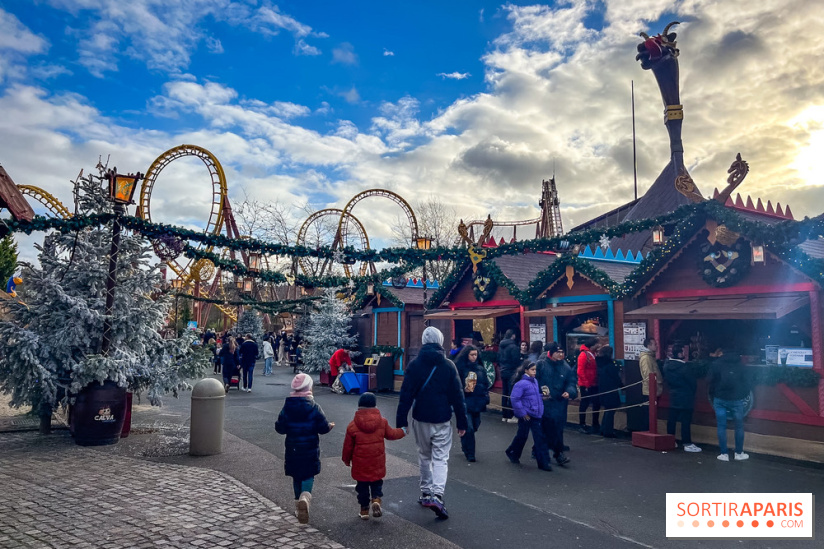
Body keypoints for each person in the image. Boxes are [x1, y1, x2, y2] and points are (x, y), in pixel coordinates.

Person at [396, 326, 467, 520]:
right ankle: (437, 494)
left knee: (424, 455)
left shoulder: (414, 365)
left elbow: (406, 395)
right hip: (442, 417)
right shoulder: (448, 366)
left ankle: (426, 492)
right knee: (441, 458)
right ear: (440, 340)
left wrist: (402, 421)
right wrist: (462, 421)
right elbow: (458, 397)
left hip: (420, 417)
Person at [275, 373, 334, 524]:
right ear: (309, 388)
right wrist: (329, 427)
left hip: (293, 447)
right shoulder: (314, 407)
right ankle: (305, 497)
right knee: (308, 474)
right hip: (310, 447)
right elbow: (322, 427)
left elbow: (280, 428)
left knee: (296, 476)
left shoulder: (287, 407)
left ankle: (297, 506)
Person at [342, 392, 405, 520]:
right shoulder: (382, 422)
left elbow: (347, 446)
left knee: (362, 487)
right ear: (374, 406)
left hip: (360, 464)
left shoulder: (352, 426)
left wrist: (346, 460)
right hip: (377, 462)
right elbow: (392, 434)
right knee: (377, 483)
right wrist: (403, 431)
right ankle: (376, 499)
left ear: (359, 407)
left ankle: (364, 510)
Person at [505, 362, 553, 471]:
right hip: (527, 414)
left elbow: (533, 396)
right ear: (526, 370)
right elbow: (515, 399)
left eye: (535, 370)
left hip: (535, 413)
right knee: (523, 436)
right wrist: (522, 413)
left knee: (538, 438)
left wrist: (543, 396)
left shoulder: (534, 381)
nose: (534, 372)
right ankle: (513, 452)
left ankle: (543, 462)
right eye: (532, 370)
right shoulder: (521, 384)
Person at [536, 342, 576, 465]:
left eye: (562, 352)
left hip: (559, 402)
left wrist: (569, 392)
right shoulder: (541, 365)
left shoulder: (566, 367)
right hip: (544, 401)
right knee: (545, 428)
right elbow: (533, 380)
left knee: (558, 428)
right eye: (557, 352)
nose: (560, 355)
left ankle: (558, 453)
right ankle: (540, 451)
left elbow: (571, 382)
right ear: (551, 353)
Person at [708, 348, 751, 462]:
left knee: (721, 426)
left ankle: (724, 454)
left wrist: (715, 394)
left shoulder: (716, 364)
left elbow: (711, 381)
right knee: (739, 426)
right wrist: (742, 395)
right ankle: (738, 453)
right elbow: (747, 383)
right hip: (736, 400)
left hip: (720, 399)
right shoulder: (741, 365)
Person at [454, 345, 490, 462]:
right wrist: (463, 390)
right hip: (465, 402)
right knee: (468, 427)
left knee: (475, 425)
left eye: (476, 354)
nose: (474, 357)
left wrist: (486, 397)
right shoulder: (460, 368)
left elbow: (485, 384)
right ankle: (470, 453)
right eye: (472, 355)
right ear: (467, 355)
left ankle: (464, 440)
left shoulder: (480, 369)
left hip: (478, 401)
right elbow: (455, 385)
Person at [663, 342, 701, 452]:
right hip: (686, 395)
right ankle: (687, 443)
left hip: (673, 394)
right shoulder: (684, 367)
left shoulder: (666, 366)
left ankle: (670, 441)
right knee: (685, 421)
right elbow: (692, 383)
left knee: (672, 419)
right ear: (679, 354)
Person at [595, 346, 622, 438]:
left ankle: (603, 429)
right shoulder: (610, 365)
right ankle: (608, 431)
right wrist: (622, 385)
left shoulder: (599, 363)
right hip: (611, 390)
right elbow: (616, 378)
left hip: (603, 389)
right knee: (610, 411)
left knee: (607, 410)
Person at [638, 338, 663, 431]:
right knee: (648, 414)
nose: (656, 346)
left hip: (654, 389)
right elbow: (648, 374)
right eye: (654, 344)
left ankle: (650, 430)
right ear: (648, 345)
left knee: (651, 413)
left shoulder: (651, 357)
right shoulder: (646, 358)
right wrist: (654, 386)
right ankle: (647, 431)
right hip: (649, 390)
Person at [577, 337, 600, 434]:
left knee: (596, 403)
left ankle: (595, 423)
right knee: (584, 404)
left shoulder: (593, 353)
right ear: (592, 345)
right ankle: (582, 424)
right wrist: (586, 384)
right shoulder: (583, 355)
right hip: (586, 384)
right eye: (597, 344)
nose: (599, 345)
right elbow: (580, 371)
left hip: (594, 383)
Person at [498, 329, 521, 423]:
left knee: (505, 392)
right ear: (513, 336)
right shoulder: (514, 347)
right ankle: (511, 415)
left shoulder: (501, 346)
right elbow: (516, 361)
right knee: (513, 393)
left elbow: (498, 358)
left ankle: (504, 415)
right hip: (511, 371)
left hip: (503, 370)